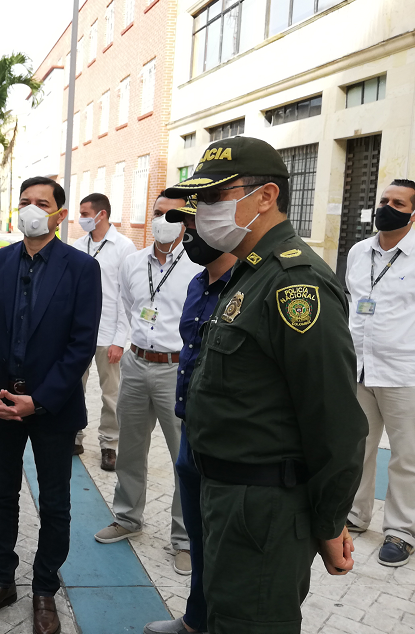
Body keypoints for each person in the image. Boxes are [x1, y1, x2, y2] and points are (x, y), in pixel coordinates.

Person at [163, 136, 367, 634]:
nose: (202, 211)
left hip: (264, 507)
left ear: (266, 196)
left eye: (214, 197)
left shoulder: (295, 284)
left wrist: (329, 523)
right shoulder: (247, 275)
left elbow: (335, 422)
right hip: (225, 494)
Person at [0, 176, 100, 634]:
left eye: (41, 203)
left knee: (56, 503)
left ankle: (45, 590)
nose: (31, 209)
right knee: (1, 497)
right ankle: (2, 581)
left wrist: (38, 401)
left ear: (60, 214)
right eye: (25, 202)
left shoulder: (81, 269)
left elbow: (81, 346)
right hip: (0, 402)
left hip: (52, 407)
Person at [142, 201, 237, 634]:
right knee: (202, 542)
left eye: (195, 221)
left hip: (231, 441)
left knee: (225, 546)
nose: (187, 231)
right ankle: (195, 620)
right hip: (194, 429)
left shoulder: (250, 286)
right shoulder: (199, 284)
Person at [94, 194, 198, 577]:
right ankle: (127, 518)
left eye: (171, 214)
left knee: (183, 458)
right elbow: (125, 307)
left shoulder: (198, 266)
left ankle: (185, 539)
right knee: (130, 449)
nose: (161, 220)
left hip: (177, 369)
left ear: (187, 220)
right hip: (137, 364)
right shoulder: (133, 262)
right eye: (156, 212)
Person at [345, 178, 415, 567]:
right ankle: (356, 515)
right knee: (358, 447)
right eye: (384, 199)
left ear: (413, 213)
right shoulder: (359, 252)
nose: (387, 207)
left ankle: (401, 531)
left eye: (398, 202)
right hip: (359, 367)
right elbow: (353, 304)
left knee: (407, 457)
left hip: (405, 372)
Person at [71, 193, 136, 468]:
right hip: (78, 333)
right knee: (73, 389)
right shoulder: (77, 245)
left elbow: (127, 297)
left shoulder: (124, 248)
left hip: (109, 333)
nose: (81, 218)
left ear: (102, 215)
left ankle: (109, 444)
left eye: (85, 213)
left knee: (111, 394)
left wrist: (120, 340)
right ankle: (74, 436)